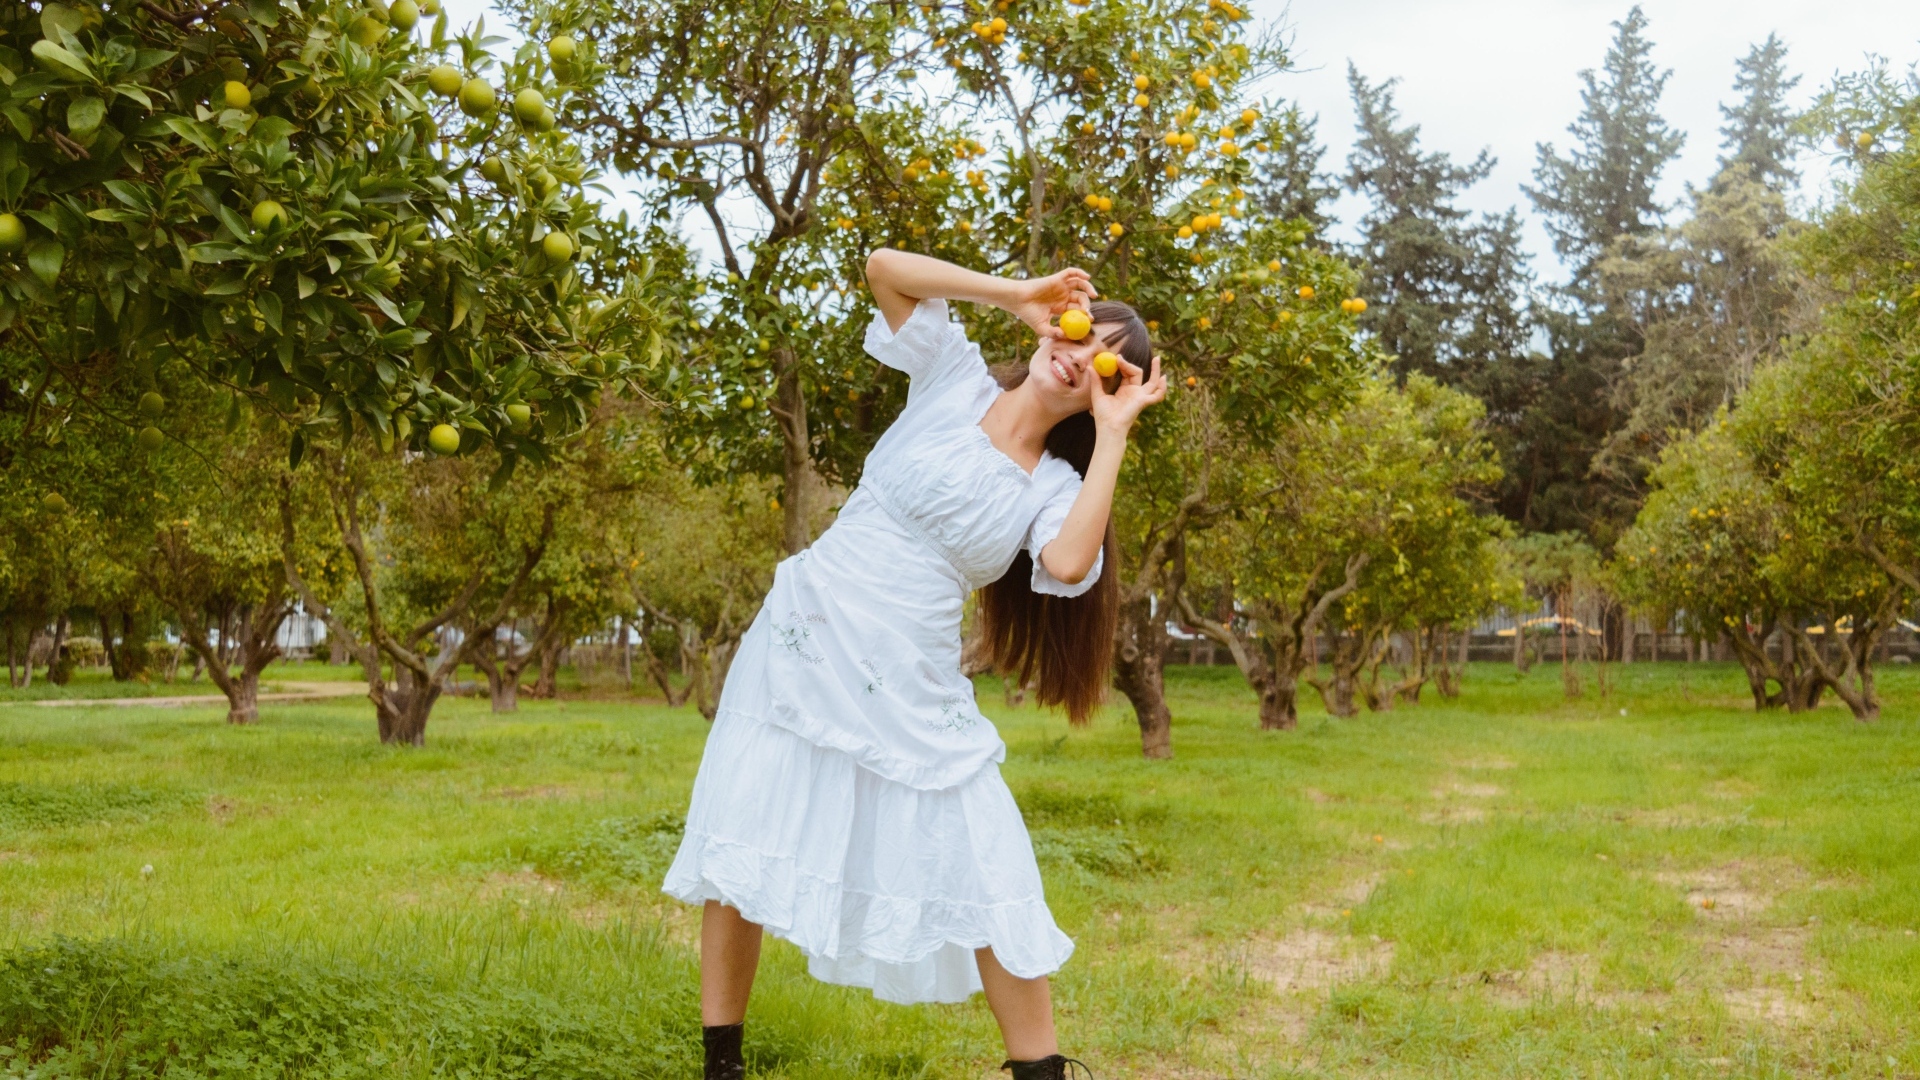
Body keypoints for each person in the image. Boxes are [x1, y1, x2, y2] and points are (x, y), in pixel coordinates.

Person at [663, 248, 1166, 1080]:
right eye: (1083, 329)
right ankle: (723, 1066)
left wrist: (1112, 436)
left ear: (1107, 391)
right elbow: (881, 267)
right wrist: (1018, 295)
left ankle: (1039, 1071)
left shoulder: (1054, 483)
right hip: (803, 634)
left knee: (989, 859)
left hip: (910, 679)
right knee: (737, 840)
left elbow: (1072, 565)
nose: (1079, 354)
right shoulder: (952, 378)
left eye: (1104, 362)